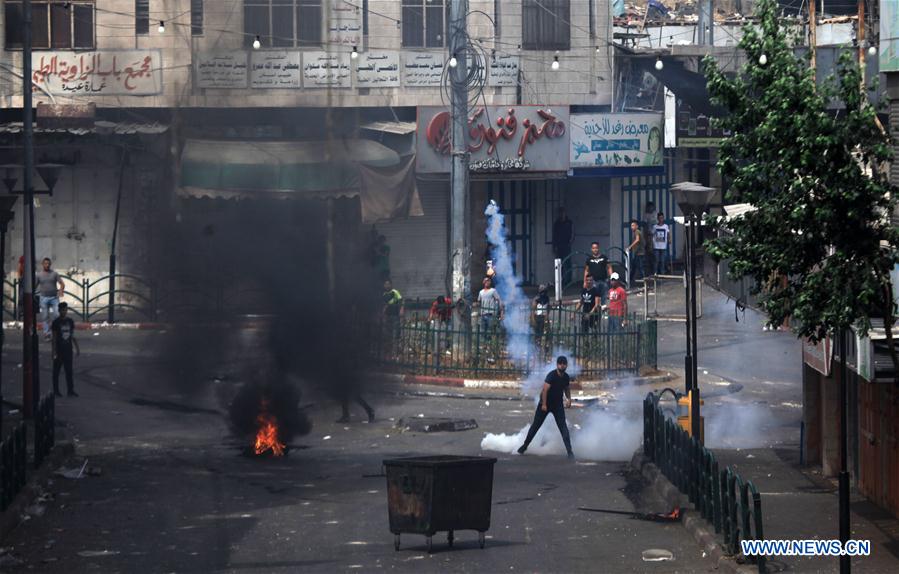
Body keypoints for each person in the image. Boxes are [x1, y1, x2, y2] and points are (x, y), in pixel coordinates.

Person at [517, 355, 574, 459]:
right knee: (536, 426)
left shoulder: (566, 377)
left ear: (566, 365)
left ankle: (570, 452)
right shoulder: (551, 375)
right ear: (557, 365)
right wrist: (543, 404)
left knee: (563, 428)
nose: (562, 366)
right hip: (546, 404)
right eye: (560, 364)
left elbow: (566, 388)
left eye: (564, 364)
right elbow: (545, 390)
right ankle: (525, 446)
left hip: (557, 405)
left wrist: (568, 399)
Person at [51, 302, 80, 397]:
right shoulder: (56, 323)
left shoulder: (70, 321)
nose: (64, 311)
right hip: (59, 350)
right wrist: (54, 351)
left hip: (68, 350)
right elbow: (54, 338)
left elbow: (72, 335)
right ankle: (56, 390)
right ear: (59, 311)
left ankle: (70, 390)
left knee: (69, 371)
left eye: (65, 309)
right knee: (56, 371)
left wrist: (77, 347)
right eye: (62, 310)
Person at [36, 258, 65, 340]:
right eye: (45, 263)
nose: (47, 265)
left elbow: (62, 283)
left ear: (50, 264)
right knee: (45, 317)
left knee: (57, 315)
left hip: (54, 298)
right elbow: (34, 285)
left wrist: (61, 290)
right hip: (43, 298)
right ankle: (47, 333)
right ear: (42, 264)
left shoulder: (54, 274)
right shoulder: (39, 275)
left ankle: (57, 332)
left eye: (48, 264)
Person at [551, 208, 574, 285]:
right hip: (559, 245)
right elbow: (554, 236)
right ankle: (561, 280)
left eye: (563, 213)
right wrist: (554, 246)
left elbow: (573, 233)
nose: (561, 214)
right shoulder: (557, 223)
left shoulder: (569, 222)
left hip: (566, 245)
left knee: (568, 262)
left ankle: (569, 280)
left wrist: (570, 241)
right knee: (560, 264)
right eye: (560, 213)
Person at [382, 280, 403, 351]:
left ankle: (395, 350)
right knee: (388, 333)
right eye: (385, 284)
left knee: (395, 333)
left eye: (388, 284)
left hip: (395, 315)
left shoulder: (395, 292)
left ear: (391, 285)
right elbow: (384, 306)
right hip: (388, 316)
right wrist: (383, 314)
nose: (387, 286)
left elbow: (401, 301)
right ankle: (388, 350)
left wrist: (401, 310)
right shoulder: (384, 294)